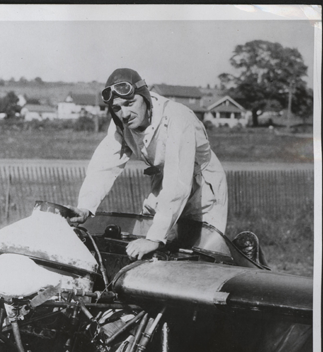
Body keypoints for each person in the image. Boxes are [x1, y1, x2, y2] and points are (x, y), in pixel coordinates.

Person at [68, 68, 228, 260]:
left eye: (130, 103)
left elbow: (178, 182)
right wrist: (85, 206)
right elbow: (103, 166)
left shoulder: (178, 117)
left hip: (202, 190)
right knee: (153, 258)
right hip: (164, 185)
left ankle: (246, 256)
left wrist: (154, 238)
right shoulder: (121, 124)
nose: (125, 114)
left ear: (145, 97)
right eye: (117, 108)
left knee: (201, 257)